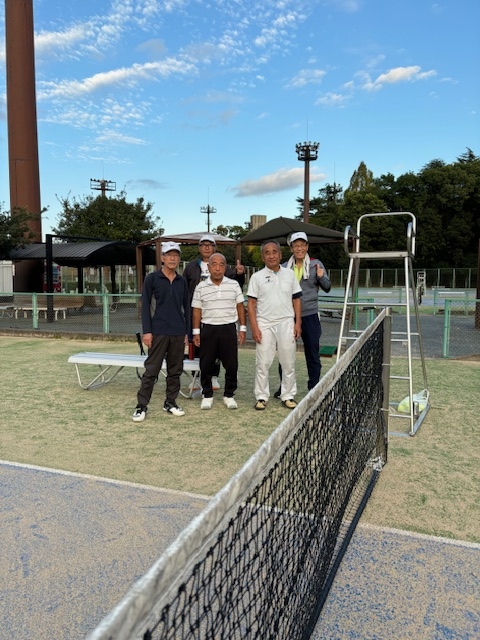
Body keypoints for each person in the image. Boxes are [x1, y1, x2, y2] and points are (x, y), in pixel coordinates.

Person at [132, 241, 190, 421]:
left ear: (179, 259)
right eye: (169, 255)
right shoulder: (152, 278)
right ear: (162, 258)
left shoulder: (182, 281)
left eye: (176, 255)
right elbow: (145, 306)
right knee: (151, 371)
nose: (173, 258)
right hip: (158, 332)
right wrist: (147, 332)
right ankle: (141, 406)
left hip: (178, 333)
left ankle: (170, 402)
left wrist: (187, 333)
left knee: (175, 371)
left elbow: (187, 308)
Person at [183, 234, 245, 391]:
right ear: (199, 248)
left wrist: (240, 274)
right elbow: (184, 288)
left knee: (219, 349)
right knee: (198, 347)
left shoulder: (224, 266)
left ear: (215, 248)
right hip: (198, 313)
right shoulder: (191, 267)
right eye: (203, 245)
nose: (206, 247)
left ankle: (214, 377)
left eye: (210, 245)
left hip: (219, 316)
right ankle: (196, 378)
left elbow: (234, 286)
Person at [247, 240, 302, 410]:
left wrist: (298, 323)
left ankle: (288, 395)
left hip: (286, 322)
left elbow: (296, 299)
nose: (271, 256)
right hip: (264, 324)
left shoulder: (290, 274)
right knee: (263, 363)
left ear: (280, 254)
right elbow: (251, 304)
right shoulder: (257, 277)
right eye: (267, 253)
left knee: (288, 362)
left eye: (274, 252)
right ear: (263, 257)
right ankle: (261, 397)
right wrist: (254, 327)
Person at [274, 231, 331, 395]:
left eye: (302, 245)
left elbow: (327, 287)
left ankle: (314, 387)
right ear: (291, 248)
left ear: (307, 247)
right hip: (288, 316)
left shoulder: (315, 264)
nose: (299, 248)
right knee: (285, 353)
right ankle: (285, 386)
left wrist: (321, 277)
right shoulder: (284, 267)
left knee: (312, 352)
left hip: (310, 315)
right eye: (296, 245)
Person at [191, 252, 247, 410]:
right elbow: (196, 310)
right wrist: (196, 332)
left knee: (231, 365)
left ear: (225, 267)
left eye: (221, 265)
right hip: (208, 328)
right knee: (206, 364)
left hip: (228, 328)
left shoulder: (233, 285)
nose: (217, 268)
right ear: (208, 267)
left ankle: (229, 395)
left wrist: (242, 328)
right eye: (214, 264)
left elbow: (240, 307)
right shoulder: (201, 287)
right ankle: (207, 395)